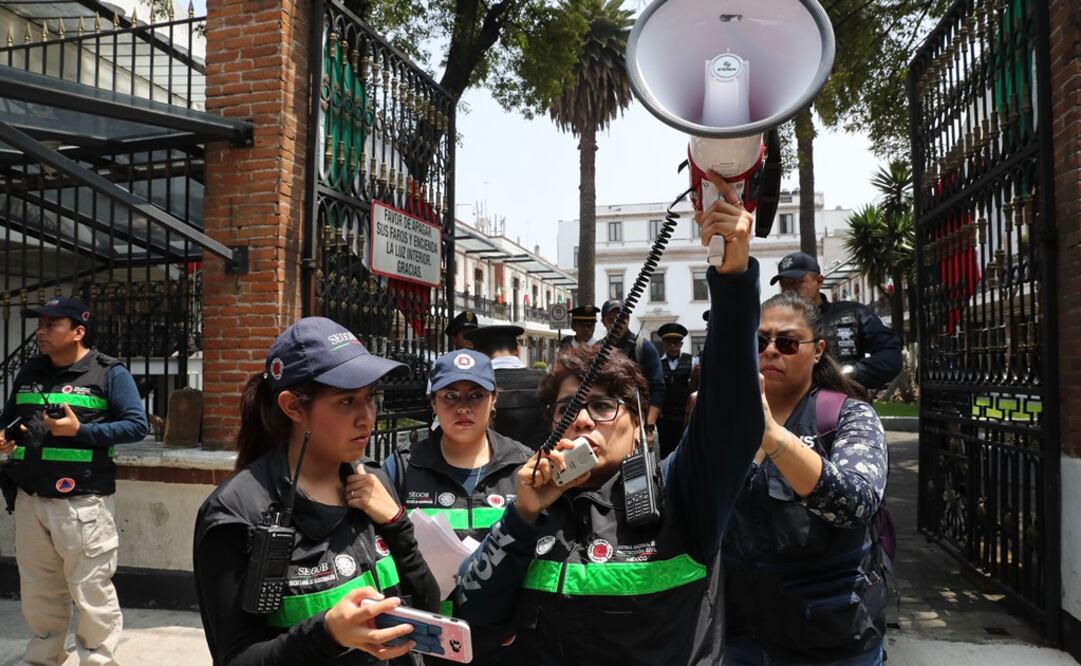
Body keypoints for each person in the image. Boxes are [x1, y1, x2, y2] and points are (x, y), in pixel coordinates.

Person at [452, 174, 764, 665]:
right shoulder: (531, 502)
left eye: (602, 406)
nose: (581, 421)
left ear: (639, 424)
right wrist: (522, 517)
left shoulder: (682, 494)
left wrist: (732, 277)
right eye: (568, 409)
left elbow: (731, 414)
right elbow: (471, 612)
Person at [193, 317, 440, 665]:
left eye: (369, 397)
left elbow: (427, 607)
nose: (367, 417)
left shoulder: (373, 481)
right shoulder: (236, 512)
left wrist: (397, 525)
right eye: (346, 401)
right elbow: (236, 658)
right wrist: (328, 634)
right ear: (293, 406)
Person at [722, 291, 889, 665]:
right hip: (737, 633)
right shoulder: (726, 418)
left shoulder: (847, 416)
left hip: (827, 639)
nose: (771, 351)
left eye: (787, 342)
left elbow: (856, 503)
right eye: (760, 341)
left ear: (818, 350)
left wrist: (774, 437)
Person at [0, 296, 148, 666]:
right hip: (30, 497)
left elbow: (136, 426)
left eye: (52, 324)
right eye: (40, 324)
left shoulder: (109, 373)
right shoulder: (30, 371)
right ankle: (43, 657)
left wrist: (79, 430)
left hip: (82, 502)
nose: (41, 331)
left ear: (78, 331)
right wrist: (4, 436)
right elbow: (9, 418)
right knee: (38, 591)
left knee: (91, 590)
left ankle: (98, 660)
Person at [383, 348, 532, 663]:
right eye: (450, 396)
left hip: (505, 645)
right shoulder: (402, 468)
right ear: (433, 402)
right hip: (427, 643)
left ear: (494, 399)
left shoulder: (523, 466)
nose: (463, 407)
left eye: (476, 396)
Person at [772, 252, 902, 390]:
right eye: (784, 284)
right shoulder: (773, 323)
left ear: (819, 281)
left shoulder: (854, 314)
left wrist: (852, 373)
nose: (790, 290)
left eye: (797, 282)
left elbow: (890, 355)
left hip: (844, 398)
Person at [464, 325, 547, 449]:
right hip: (543, 458)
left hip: (492, 459)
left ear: (478, 355)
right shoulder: (545, 380)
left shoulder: (475, 386)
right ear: (517, 350)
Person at [598, 298, 665, 438]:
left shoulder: (644, 347)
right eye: (611, 319)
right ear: (603, 321)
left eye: (622, 318)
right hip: (604, 420)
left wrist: (649, 427)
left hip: (637, 421)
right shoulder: (596, 350)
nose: (618, 323)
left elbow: (658, 388)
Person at [655, 322, 699, 458]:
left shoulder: (693, 361)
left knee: (685, 450)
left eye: (676, 342)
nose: (673, 346)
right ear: (664, 344)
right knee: (665, 451)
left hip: (684, 416)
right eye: (669, 342)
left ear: (681, 344)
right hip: (665, 418)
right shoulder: (657, 363)